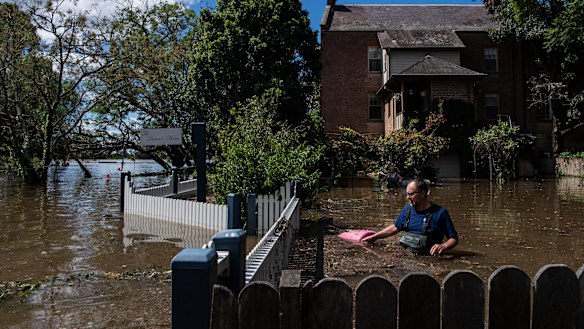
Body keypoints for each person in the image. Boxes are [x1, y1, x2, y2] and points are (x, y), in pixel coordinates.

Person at [361, 178, 458, 256]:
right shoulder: (407, 210)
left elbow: (453, 239)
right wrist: (374, 237)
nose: (407, 198)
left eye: (411, 194)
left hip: (430, 258)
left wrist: (443, 246)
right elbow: (395, 227)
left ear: (423, 193)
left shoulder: (440, 213)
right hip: (407, 256)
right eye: (406, 194)